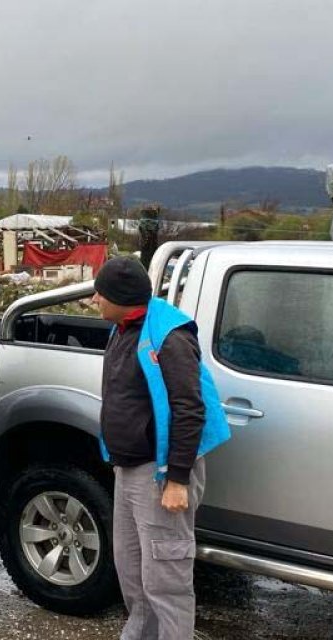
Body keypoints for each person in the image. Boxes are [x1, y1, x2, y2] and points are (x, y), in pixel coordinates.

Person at [91, 256, 229, 640]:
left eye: (100, 292)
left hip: (161, 473)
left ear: (121, 297)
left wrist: (178, 479)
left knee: (166, 579)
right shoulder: (122, 326)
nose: (94, 298)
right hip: (128, 468)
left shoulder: (170, 336)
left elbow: (189, 407)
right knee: (132, 570)